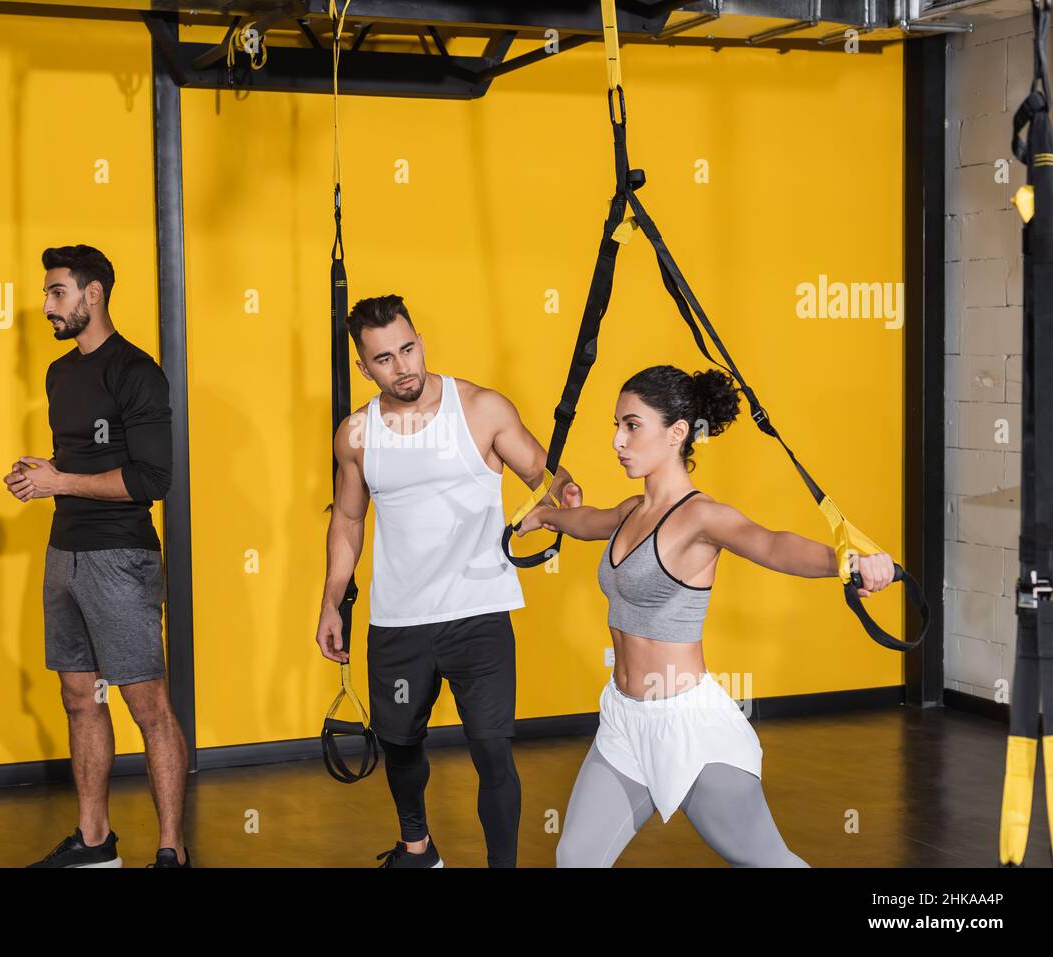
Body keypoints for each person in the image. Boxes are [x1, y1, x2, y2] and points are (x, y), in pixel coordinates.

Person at [520, 364, 895, 867]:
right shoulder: (632, 510)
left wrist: (848, 563)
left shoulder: (701, 517)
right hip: (624, 720)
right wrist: (546, 516)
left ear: (677, 433)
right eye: (616, 425)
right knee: (576, 856)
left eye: (632, 425)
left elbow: (772, 546)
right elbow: (590, 522)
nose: (617, 440)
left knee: (765, 861)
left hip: (687, 725)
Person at [315, 294, 577, 868]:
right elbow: (349, 518)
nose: (403, 366)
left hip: (477, 613)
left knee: (490, 748)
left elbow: (542, 472)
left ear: (420, 339)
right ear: (364, 368)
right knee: (400, 743)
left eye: (408, 348)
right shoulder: (356, 435)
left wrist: (565, 493)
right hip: (398, 620)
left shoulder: (481, 409)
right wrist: (332, 600)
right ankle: (418, 849)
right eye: (384, 358)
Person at [4, 244, 189, 868]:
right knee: (80, 697)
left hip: (121, 559)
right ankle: (94, 842)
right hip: (66, 553)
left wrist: (60, 482)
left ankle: (171, 849)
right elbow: (75, 464)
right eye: (48, 291)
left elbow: (151, 481)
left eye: (57, 291)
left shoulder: (136, 372)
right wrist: (41, 474)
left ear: (93, 294)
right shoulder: (60, 374)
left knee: (148, 707)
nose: (47, 304)